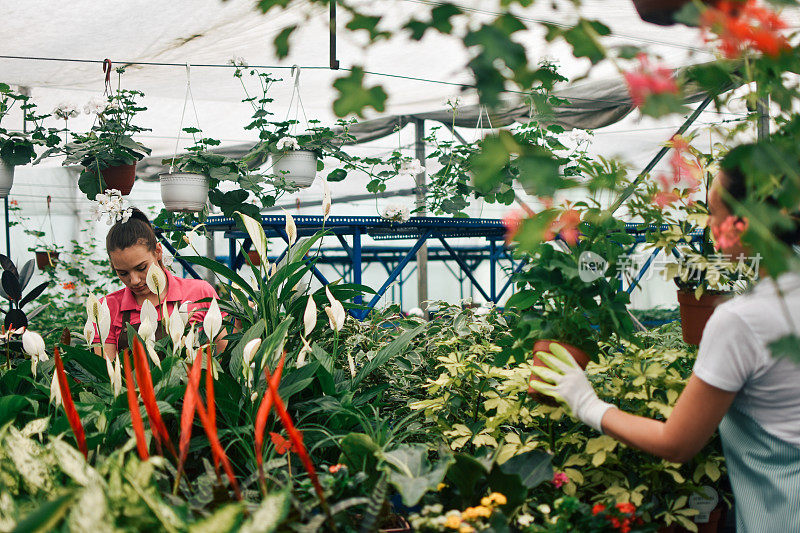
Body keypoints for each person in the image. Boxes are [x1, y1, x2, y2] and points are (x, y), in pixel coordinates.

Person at [531, 145, 800, 532]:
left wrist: (586, 403)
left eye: (714, 214)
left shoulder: (742, 321)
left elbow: (677, 443)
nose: (708, 225)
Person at [96, 209, 227, 357]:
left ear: (158, 251)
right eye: (123, 273)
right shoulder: (107, 308)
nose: (134, 280)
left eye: (141, 268)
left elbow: (225, 356)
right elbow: (106, 373)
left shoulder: (200, 293)